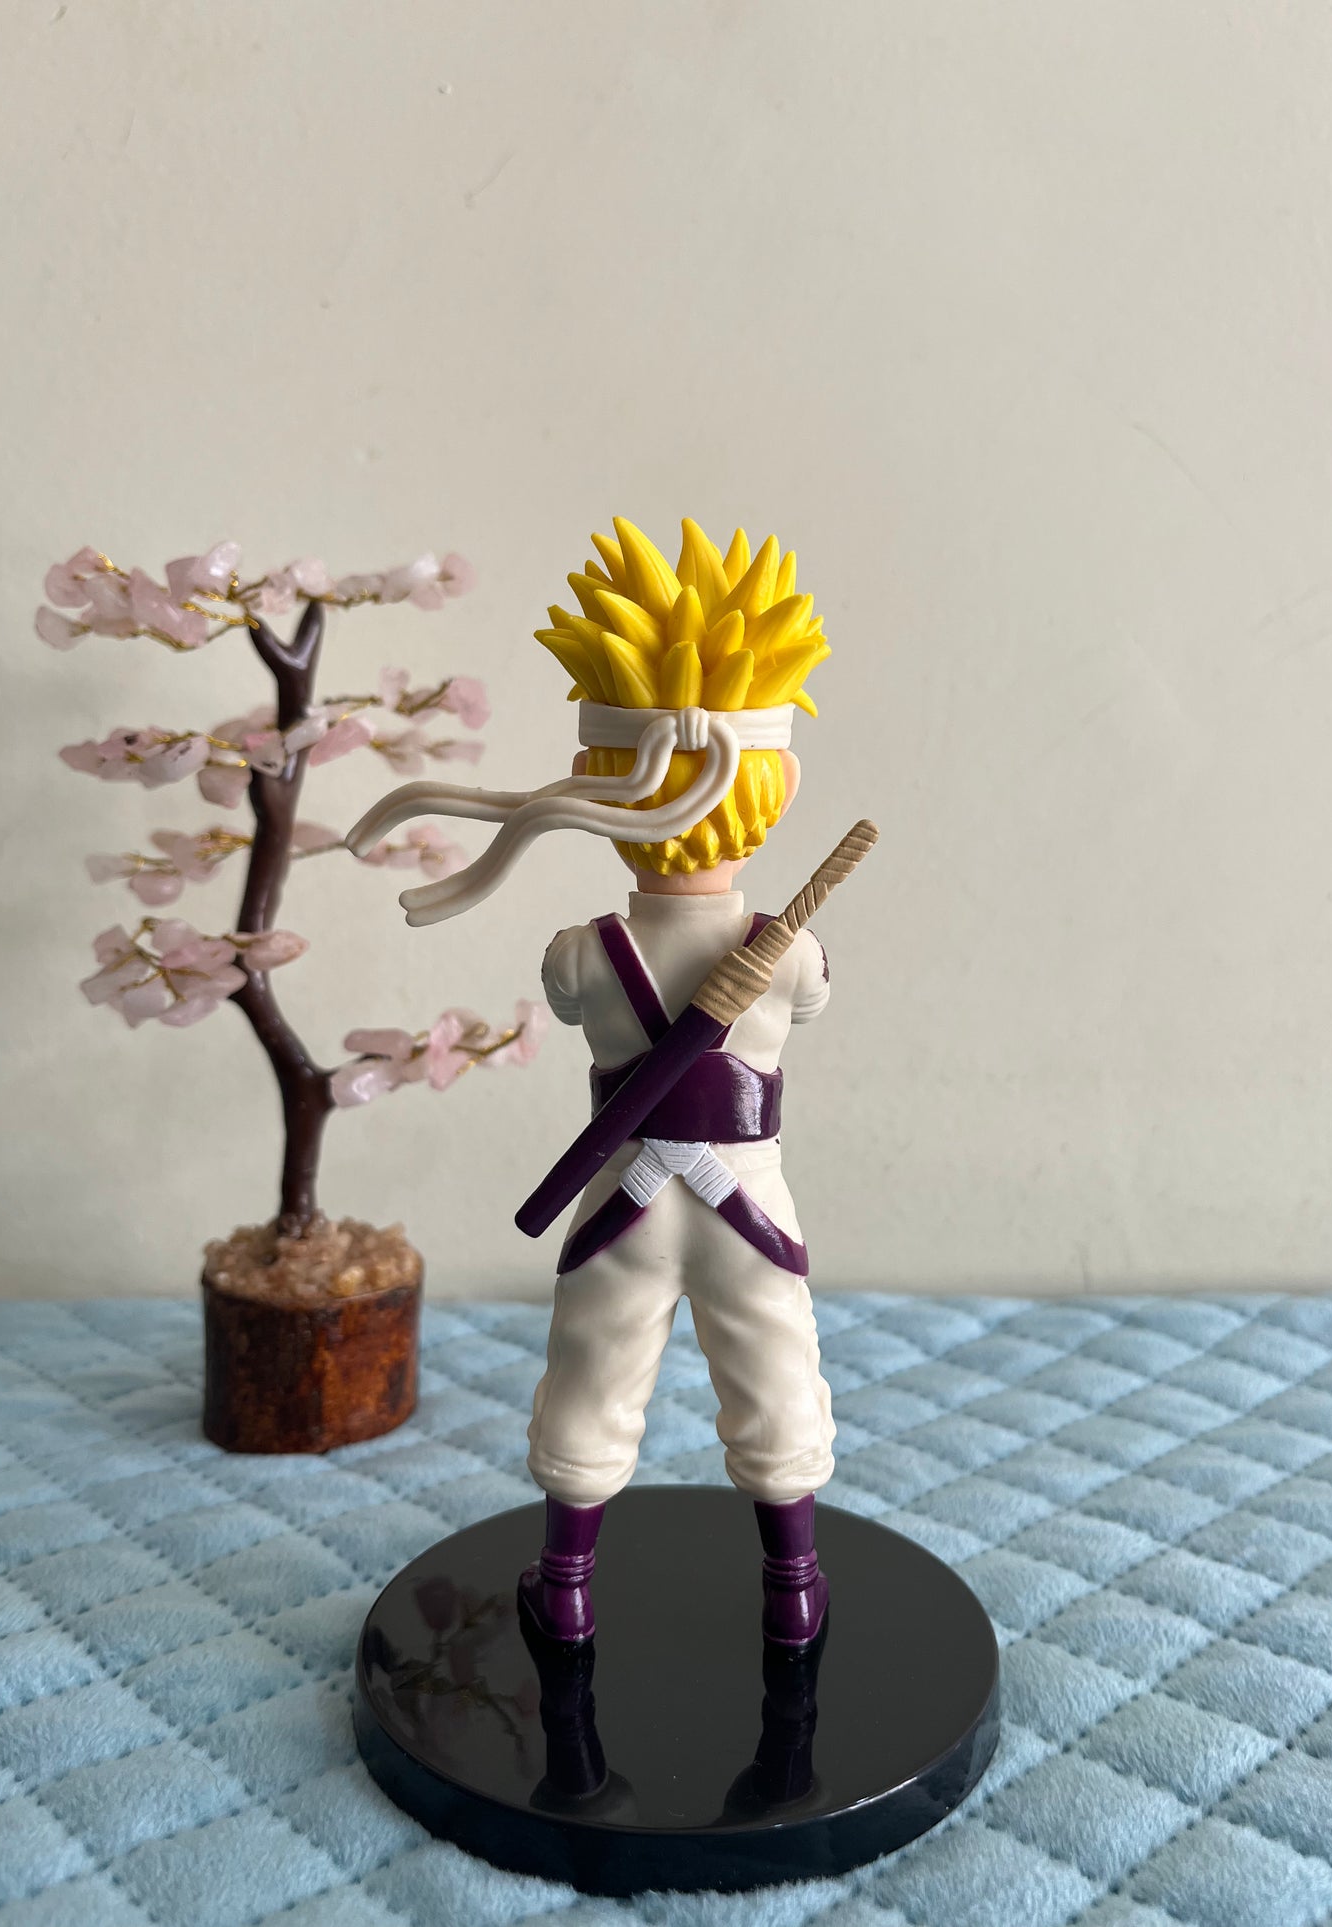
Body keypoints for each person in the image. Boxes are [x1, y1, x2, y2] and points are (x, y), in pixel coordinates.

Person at [349, 517, 837, 1647]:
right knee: (774, 1370)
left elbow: (579, 1008)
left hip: (622, 1201)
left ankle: (566, 1584)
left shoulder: (579, 954)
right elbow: (803, 1006)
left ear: (602, 789)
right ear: (774, 786)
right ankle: (794, 1582)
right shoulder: (792, 953)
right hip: (750, 1205)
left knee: (592, 1376)